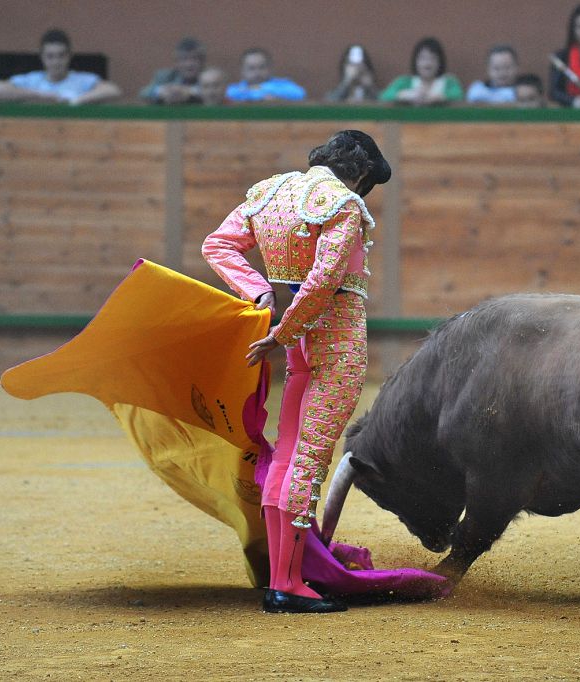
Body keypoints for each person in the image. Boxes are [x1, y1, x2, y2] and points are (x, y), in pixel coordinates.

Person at [203, 131, 391, 613]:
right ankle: (288, 584)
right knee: (307, 458)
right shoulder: (344, 204)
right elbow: (325, 279)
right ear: (363, 172)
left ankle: (282, 576)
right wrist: (285, 331)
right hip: (336, 343)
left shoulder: (269, 193)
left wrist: (260, 293)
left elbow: (218, 245)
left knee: (288, 453)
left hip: (300, 347)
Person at [0, 28, 121, 105]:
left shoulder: (82, 80)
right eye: (50, 56)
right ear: (42, 57)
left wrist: (77, 100)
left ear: (69, 56)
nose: (56, 62)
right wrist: (41, 95)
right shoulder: (31, 80)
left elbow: (113, 90)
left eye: (61, 55)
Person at [379, 37, 463, 105]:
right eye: (423, 58)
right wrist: (406, 95)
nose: (427, 63)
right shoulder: (405, 82)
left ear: (440, 62)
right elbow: (384, 96)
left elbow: (459, 95)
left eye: (433, 58)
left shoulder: (449, 82)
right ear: (415, 61)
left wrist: (439, 98)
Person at [139, 37, 205, 105]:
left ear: (202, 61)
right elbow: (144, 93)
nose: (189, 64)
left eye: (194, 59)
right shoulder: (164, 76)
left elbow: (215, 93)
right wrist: (162, 91)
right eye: (184, 59)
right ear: (176, 63)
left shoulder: (210, 76)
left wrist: (189, 91)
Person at [226, 48, 306, 102]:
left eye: (262, 67)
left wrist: (276, 97)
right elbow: (228, 95)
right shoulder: (235, 89)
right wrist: (259, 95)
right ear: (242, 71)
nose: (257, 72)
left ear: (270, 68)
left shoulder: (282, 85)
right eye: (251, 68)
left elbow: (300, 94)